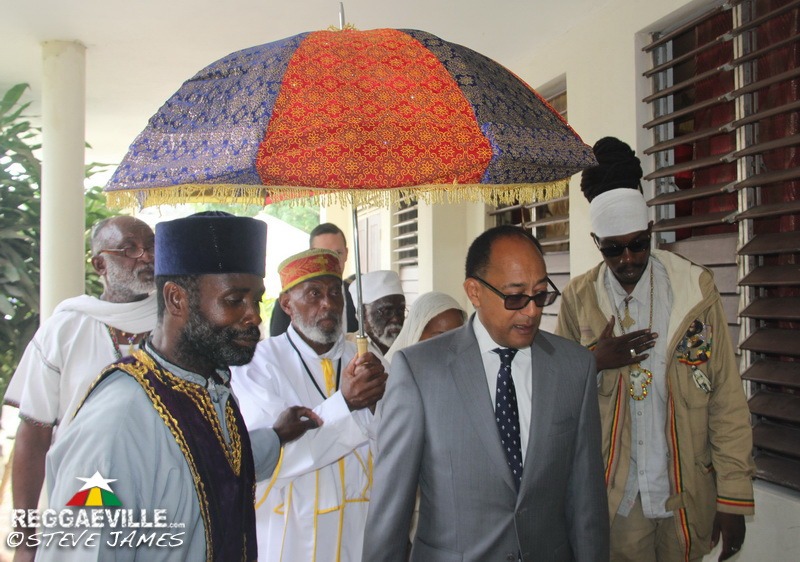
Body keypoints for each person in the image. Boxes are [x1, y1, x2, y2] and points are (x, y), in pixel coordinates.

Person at [36, 212, 321, 561]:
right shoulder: (117, 421)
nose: (254, 316)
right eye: (234, 300)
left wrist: (276, 436)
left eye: (256, 300)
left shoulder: (211, 387)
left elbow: (217, 468)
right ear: (176, 299)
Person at [555, 137, 755, 561]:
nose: (627, 259)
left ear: (650, 231)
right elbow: (554, 403)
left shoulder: (693, 289)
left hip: (685, 490)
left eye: (637, 244)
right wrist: (592, 362)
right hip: (618, 499)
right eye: (613, 248)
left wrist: (733, 496)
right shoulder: (578, 300)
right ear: (596, 241)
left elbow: (725, 397)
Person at [363, 225, 609, 562]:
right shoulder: (420, 371)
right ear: (474, 292)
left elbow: (587, 500)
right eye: (515, 297)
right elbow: (391, 510)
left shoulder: (574, 367)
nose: (532, 311)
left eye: (540, 294)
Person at [3, 215, 157, 561]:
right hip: (83, 498)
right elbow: (34, 434)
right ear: (100, 264)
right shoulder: (64, 329)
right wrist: (25, 540)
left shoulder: (176, 322)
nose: (146, 256)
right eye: (129, 249)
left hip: (163, 495)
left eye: (151, 247)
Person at [231, 247, 387, 561]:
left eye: (335, 293)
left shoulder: (365, 358)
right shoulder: (257, 364)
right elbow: (277, 456)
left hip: (359, 526)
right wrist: (347, 403)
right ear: (287, 304)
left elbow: (393, 438)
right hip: (292, 531)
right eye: (314, 293)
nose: (328, 303)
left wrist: (375, 408)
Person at [269, 222, 358, 336]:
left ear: (346, 254)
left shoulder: (358, 295)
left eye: (338, 253)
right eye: (323, 254)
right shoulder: (292, 302)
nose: (332, 260)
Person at [384, 291, 467, 364]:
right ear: (416, 333)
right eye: (441, 337)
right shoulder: (390, 373)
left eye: (457, 336)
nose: (451, 345)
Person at [349, 269, 405, 364]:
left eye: (400, 310)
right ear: (362, 314)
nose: (396, 319)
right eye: (387, 312)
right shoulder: (346, 349)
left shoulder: (411, 344)